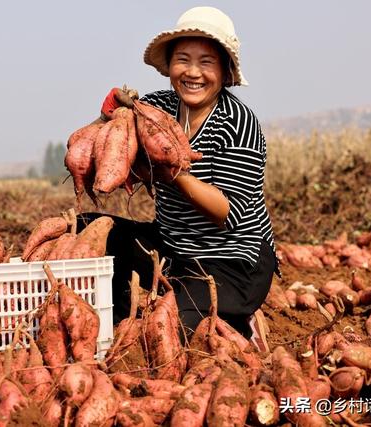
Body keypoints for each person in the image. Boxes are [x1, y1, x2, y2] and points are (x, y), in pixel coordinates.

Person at [83, 6, 278, 345]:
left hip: (231, 262)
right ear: (170, 66)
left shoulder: (238, 123)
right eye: (183, 60)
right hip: (174, 249)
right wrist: (108, 117)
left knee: (171, 330)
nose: (193, 72)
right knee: (90, 229)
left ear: (225, 70)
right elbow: (110, 144)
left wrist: (171, 174)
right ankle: (117, 318)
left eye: (206, 62)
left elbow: (225, 212)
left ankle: (242, 323)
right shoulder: (157, 109)